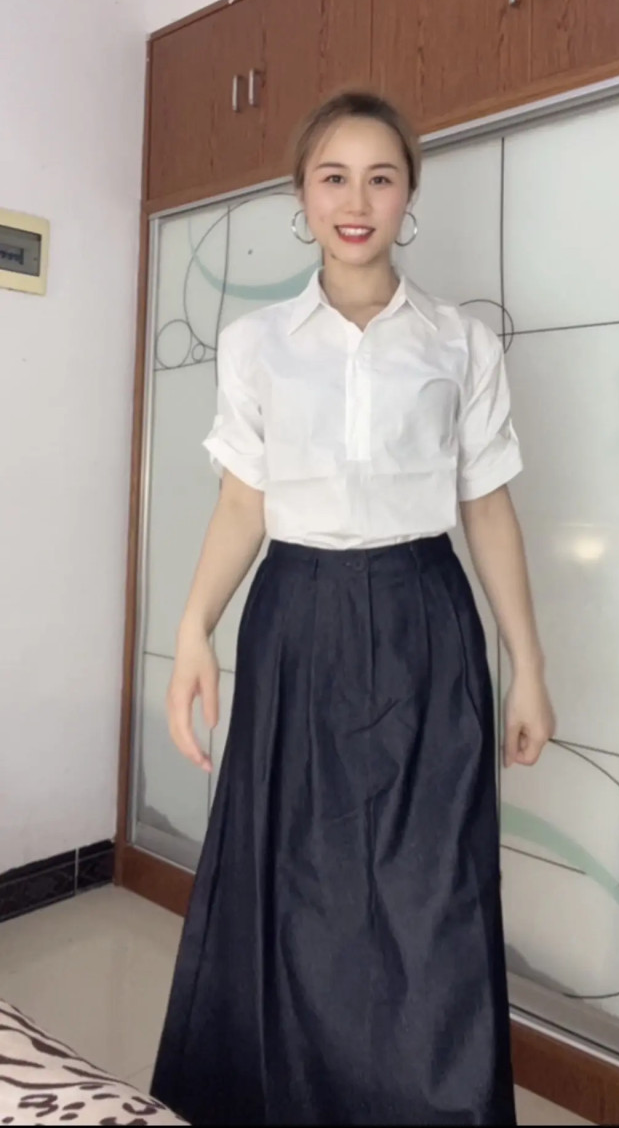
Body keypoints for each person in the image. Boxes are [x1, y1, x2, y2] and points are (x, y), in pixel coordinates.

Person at [150, 90, 556, 1127]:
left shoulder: (460, 342)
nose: (357, 200)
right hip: (297, 619)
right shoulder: (256, 343)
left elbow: (487, 505)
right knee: (296, 878)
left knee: (434, 887)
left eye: (381, 177)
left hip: (427, 620)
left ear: (409, 192)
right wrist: (193, 631)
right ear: (301, 195)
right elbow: (243, 502)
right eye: (333, 177)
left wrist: (529, 666)